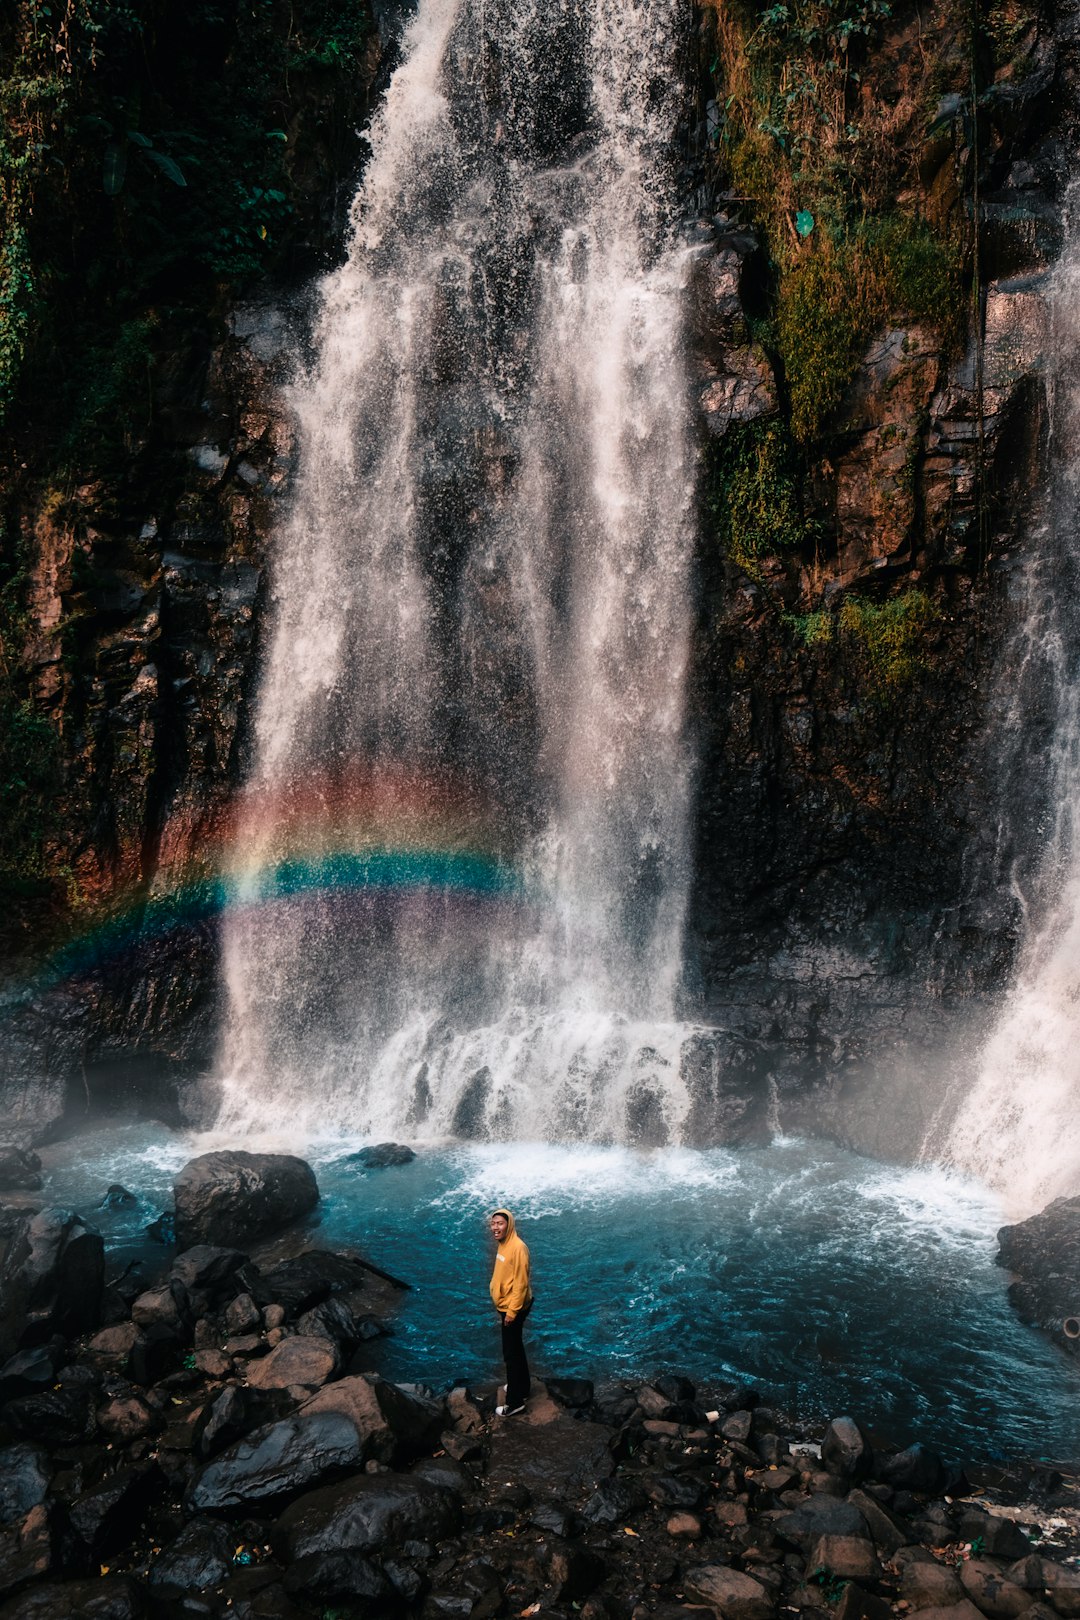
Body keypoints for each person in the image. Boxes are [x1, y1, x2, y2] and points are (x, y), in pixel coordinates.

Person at [488, 1207, 532, 1416]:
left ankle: (515, 1402)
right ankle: (522, 1388)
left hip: (512, 1308)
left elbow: (521, 1284)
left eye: (500, 1223)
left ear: (509, 1225)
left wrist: (512, 1312)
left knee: (510, 1355)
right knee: (516, 1349)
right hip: (506, 1305)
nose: (495, 1227)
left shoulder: (518, 1248)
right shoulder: (504, 1243)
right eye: (493, 1223)